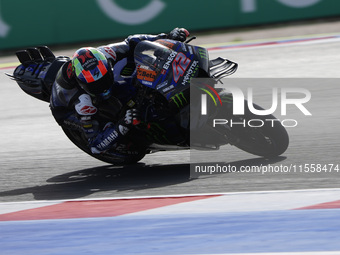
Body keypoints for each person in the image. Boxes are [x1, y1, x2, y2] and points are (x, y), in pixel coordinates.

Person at [50, 28, 190, 156]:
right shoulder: (83, 104)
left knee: (134, 69)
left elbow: (132, 41)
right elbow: (95, 146)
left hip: (105, 85)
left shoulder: (106, 53)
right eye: (96, 85)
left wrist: (166, 37)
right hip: (66, 110)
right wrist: (122, 125)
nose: (102, 87)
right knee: (118, 122)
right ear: (82, 84)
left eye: (104, 80)